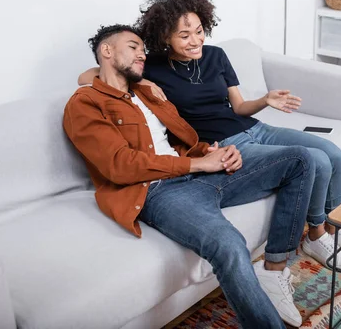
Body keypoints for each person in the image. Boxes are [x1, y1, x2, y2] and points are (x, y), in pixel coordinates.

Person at [78, 0, 341, 269]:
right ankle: (316, 235)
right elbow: (87, 75)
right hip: (225, 142)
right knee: (317, 160)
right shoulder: (150, 65)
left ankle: (333, 230)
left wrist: (264, 100)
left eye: (198, 32)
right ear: (165, 37)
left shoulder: (217, 56)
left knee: (332, 154)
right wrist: (143, 81)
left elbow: (239, 107)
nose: (195, 41)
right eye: (184, 36)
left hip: (255, 127)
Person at [64, 24, 318, 328]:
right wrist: (198, 165)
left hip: (196, 172)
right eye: (133, 47)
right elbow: (121, 165)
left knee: (300, 159)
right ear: (106, 51)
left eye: (143, 50)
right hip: (158, 191)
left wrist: (209, 153)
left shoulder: (147, 92)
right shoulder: (85, 103)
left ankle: (274, 268)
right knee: (229, 244)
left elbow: (178, 141)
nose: (141, 55)